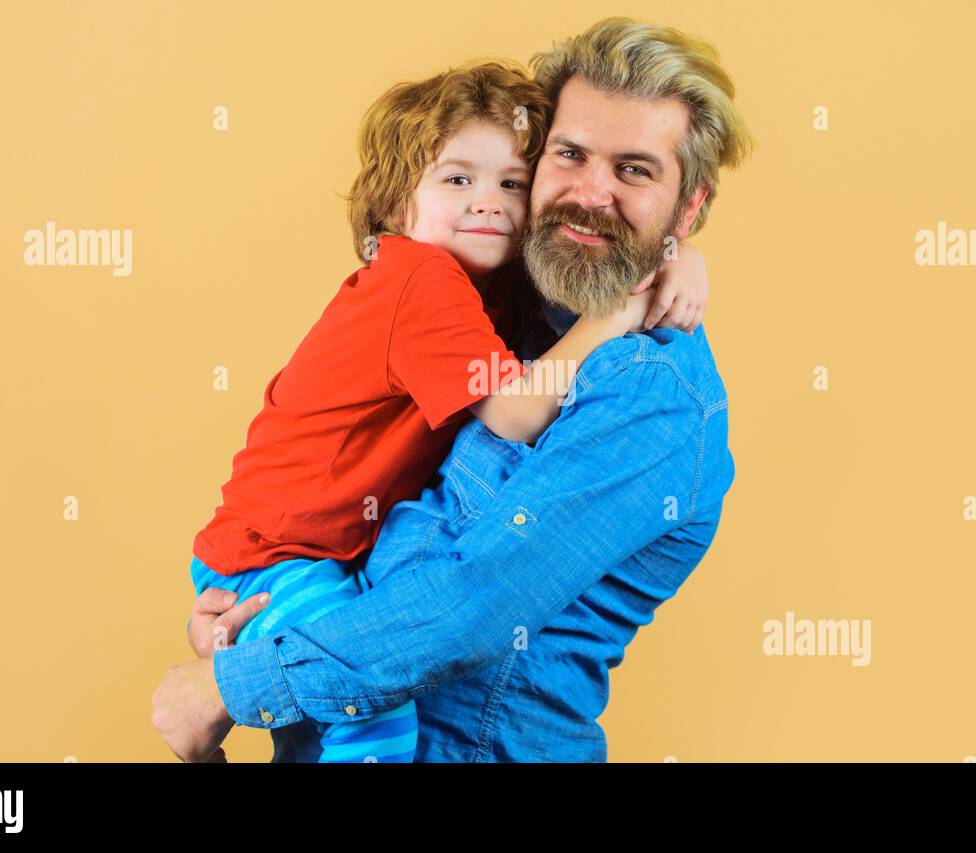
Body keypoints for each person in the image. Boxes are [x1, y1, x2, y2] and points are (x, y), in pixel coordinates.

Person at [181, 58, 710, 762]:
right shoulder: (434, 282)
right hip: (281, 559)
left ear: (690, 204)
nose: (489, 202)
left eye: (509, 184)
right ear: (399, 207)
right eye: (458, 179)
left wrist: (678, 257)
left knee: (372, 727)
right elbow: (509, 415)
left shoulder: (638, 384)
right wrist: (620, 305)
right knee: (369, 729)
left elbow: (472, 606)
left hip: (355, 627)